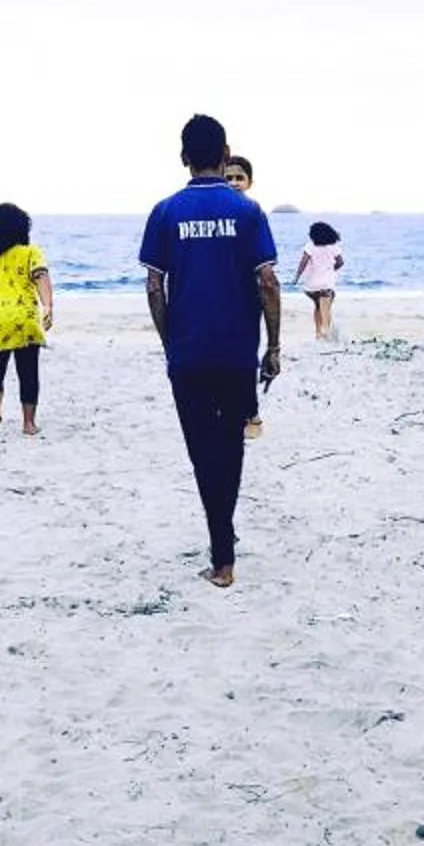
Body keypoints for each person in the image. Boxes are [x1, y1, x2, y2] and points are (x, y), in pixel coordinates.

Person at [140, 116, 280, 587]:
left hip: (189, 352)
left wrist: (168, 341)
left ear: (183, 157)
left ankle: (222, 550)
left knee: (203, 451)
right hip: (238, 351)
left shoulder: (165, 212)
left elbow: (154, 287)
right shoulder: (248, 211)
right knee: (231, 445)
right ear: (225, 154)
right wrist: (274, 345)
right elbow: (268, 282)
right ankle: (225, 545)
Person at [0, 202, 53, 440]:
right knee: (28, 372)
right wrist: (48, 305)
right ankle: (29, 423)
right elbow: (40, 275)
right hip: (25, 319)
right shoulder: (30, 252)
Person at [221, 155, 268, 438]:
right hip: (218, 297)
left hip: (247, 298)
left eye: (239, 178)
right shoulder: (214, 212)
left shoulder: (252, 212)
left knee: (246, 358)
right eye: (228, 177)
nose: (234, 183)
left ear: (250, 182)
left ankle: (251, 412)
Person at [292, 221, 345, 343]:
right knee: (326, 308)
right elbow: (341, 262)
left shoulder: (310, 246)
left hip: (312, 285)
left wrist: (296, 277)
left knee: (318, 306)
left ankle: (318, 334)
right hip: (326, 284)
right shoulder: (334, 246)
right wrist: (332, 269)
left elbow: (303, 263)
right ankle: (327, 334)